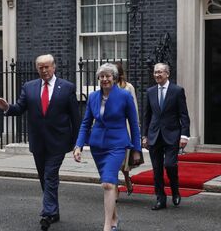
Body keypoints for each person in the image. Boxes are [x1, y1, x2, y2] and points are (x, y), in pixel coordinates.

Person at [0, 54, 80, 231]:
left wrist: (78, 143)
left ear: (54, 67)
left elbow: (75, 117)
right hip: (38, 141)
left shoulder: (67, 87)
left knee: (49, 175)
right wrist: (8, 107)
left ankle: (47, 213)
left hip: (59, 141)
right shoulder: (29, 87)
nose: (44, 70)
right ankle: (54, 211)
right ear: (37, 69)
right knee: (44, 177)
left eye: (47, 66)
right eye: (41, 67)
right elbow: (19, 108)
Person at [73, 63, 141, 231]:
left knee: (108, 185)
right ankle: (115, 218)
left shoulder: (125, 96)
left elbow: (134, 124)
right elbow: (86, 123)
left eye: (108, 76)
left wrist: (136, 149)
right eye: (102, 76)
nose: (104, 79)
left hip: (117, 145)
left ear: (115, 77)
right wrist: (78, 145)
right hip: (97, 146)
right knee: (108, 182)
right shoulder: (93, 97)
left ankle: (106, 225)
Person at [142, 63, 190, 211]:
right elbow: (147, 115)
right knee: (156, 169)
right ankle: (160, 199)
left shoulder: (177, 91)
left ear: (167, 74)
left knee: (170, 165)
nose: (157, 75)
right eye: (155, 72)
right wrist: (144, 135)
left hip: (172, 135)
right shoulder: (150, 92)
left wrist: (184, 136)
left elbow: (184, 115)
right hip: (154, 135)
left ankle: (175, 190)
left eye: (160, 72)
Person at [114, 62, 139, 195]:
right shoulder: (106, 87)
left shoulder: (128, 87)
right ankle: (114, 187)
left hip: (125, 127)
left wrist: (137, 128)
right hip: (110, 129)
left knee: (124, 160)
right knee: (113, 160)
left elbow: (134, 110)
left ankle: (127, 178)